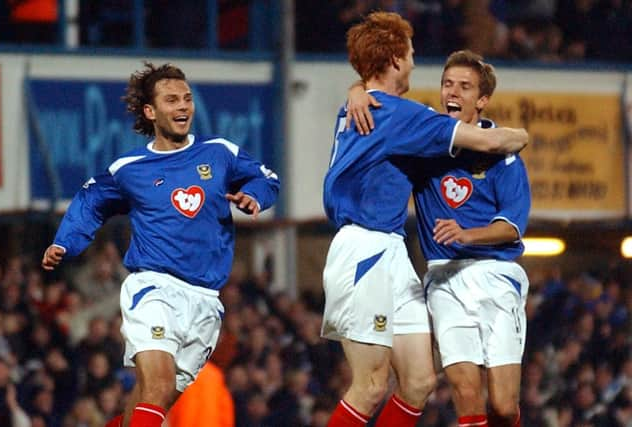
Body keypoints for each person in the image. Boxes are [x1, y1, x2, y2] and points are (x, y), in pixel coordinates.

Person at [41, 62, 280, 427]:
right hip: (155, 289)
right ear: (151, 112)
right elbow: (91, 201)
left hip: (205, 300)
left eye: (186, 98)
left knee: (152, 402)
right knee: (157, 387)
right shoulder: (130, 168)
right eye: (171, 100)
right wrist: (66, 241)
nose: (183, 106)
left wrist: (253, 196)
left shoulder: (219, 152)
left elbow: (266, 178)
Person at [322, 12, 528, 427]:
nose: (416, 63)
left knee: (418, 381)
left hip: (392, 251)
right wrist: (520, 137)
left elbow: (366, 96)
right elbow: (491, 139)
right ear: (396, 58)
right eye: (412, 53)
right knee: (370, 385)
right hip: (364, 249)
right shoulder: (399, 114)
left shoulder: (362, 107)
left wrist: (356, 88)